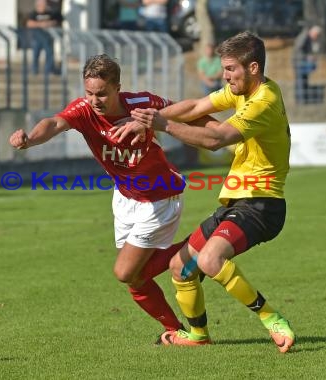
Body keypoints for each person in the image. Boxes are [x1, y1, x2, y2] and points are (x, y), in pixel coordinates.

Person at [112, 31, 295, 352]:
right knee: (180, 267)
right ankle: (198, 335)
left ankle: (272, 319)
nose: (224, 76)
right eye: (224, 69)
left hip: (262, 203)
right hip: (237, 200)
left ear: (253, 68)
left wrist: (162, 125)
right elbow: (197, 106)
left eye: (230, 69)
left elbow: (216, 139)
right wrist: (143, 120)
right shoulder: (243, 90)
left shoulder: (264, 101)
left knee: (210, 260)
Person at [9, 54, 191, 342]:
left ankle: (197, 249)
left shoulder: (140, 104)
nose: (95, 100)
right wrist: (30, 139)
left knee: (125, 272)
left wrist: (162, 123)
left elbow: (184, 110)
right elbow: (54, 124)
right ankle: (175, 331)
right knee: (135, 282)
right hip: (125, 198)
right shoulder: (84, 111)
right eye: (89, 92)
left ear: (118, 87)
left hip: (159, 196)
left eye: (102, 93)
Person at [26, 0, 63, 75]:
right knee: (35, 55)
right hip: (37, 38)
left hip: (47, 38)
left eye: (44, 4)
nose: (43, 5)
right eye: (41, 4)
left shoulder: (51, 13)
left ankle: (49, 71)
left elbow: (58, 20)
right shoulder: (33, 14)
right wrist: (41, 24)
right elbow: (29, 24)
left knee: (49, 54)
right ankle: (34, 71)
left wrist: (50, 23)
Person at [293, 25, 322, 103]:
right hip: (299, 62)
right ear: (314, 33)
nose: (316, 38)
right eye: (317, 36)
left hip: (302, 62)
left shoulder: (308, 38)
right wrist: (307, 57)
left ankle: (303, 100)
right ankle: (301, 101)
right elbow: (297, 49)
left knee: (304, 80)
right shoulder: (304, 37)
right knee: (300, 81)